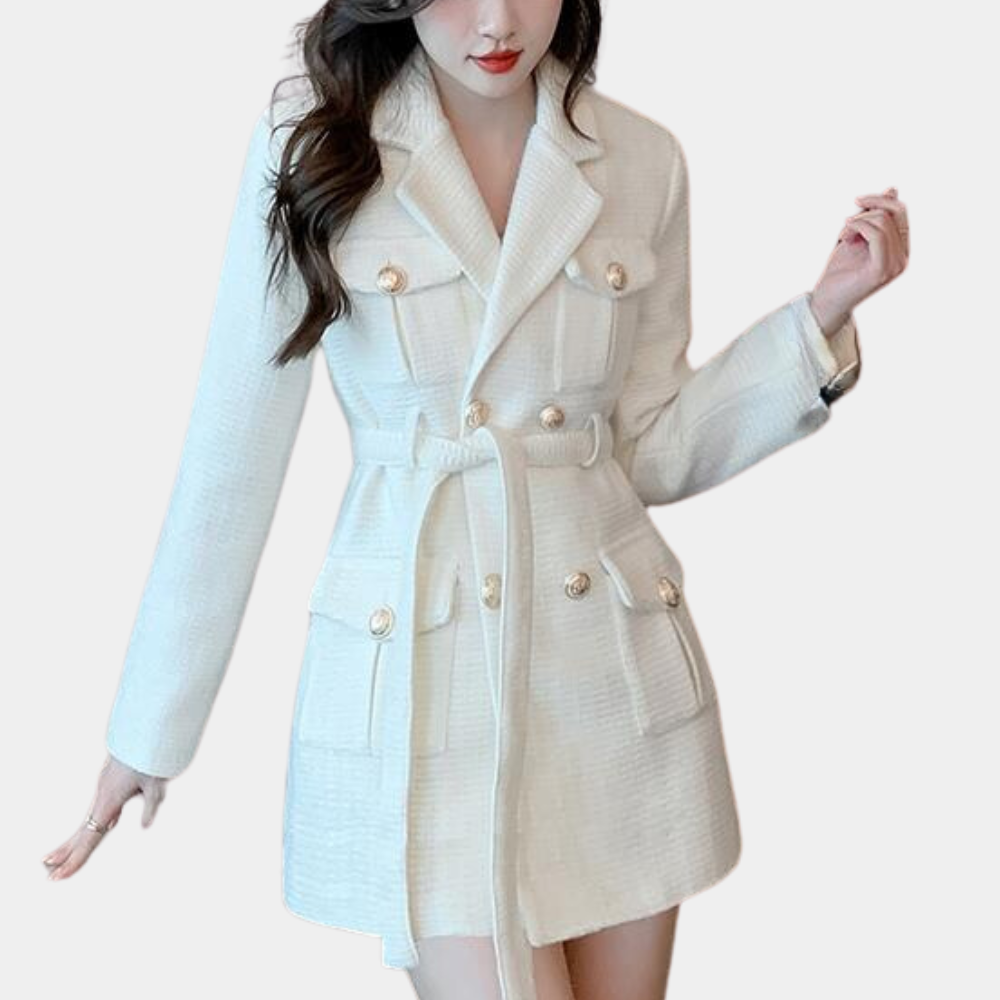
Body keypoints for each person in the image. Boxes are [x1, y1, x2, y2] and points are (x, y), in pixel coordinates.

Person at [42, 2, 909, 999]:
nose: (497, 22)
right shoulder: (316, 142)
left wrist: (819, 318)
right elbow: (232, 446)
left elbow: (647, 449)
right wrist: (149, 729)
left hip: (610, 687)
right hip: (429, 689)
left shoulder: (639, 159)